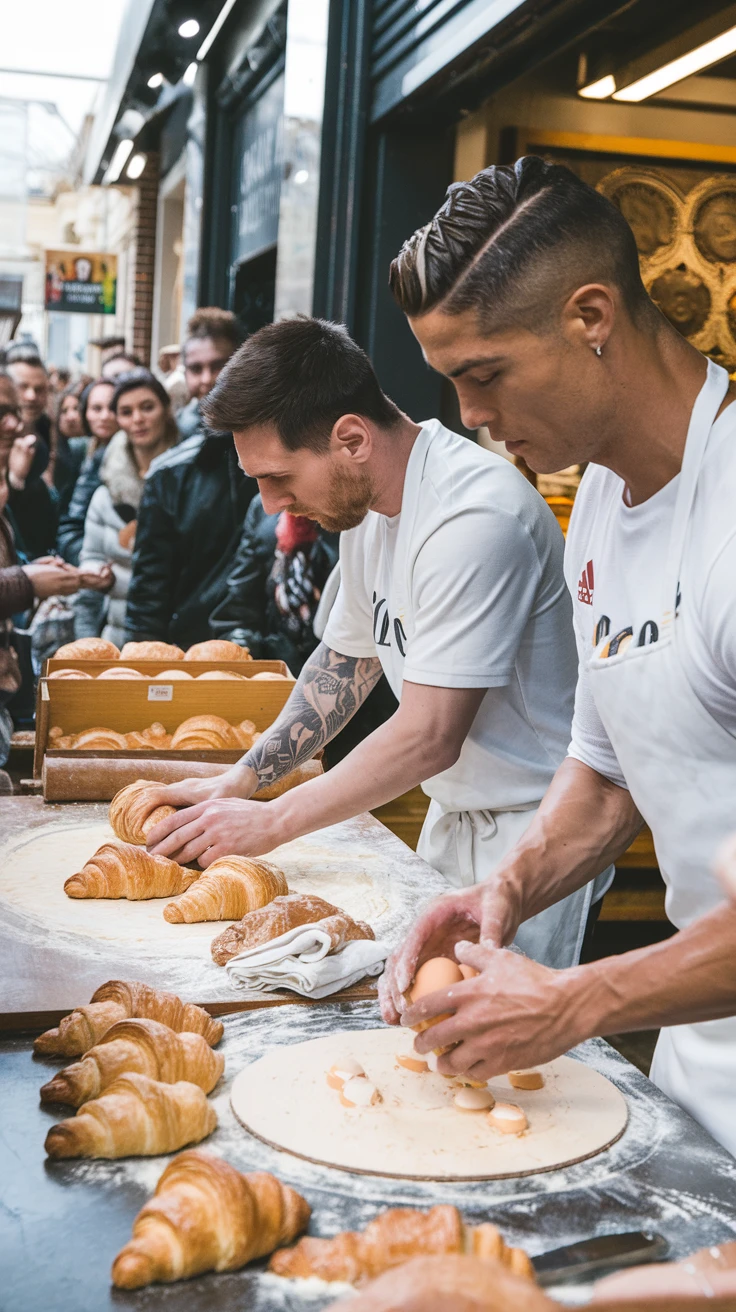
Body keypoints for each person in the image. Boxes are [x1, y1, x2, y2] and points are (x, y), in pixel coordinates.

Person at [371, 156, 736, 1157]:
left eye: (483, 375)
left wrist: (578, 998)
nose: (471, 416)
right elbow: (607, 769)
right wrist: (511, 886)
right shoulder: (597, 509)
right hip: (700, 1057)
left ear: (589, 317)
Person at [147, 317, 606, 971]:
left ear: (351, 439)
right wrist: (241, 779)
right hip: (455, 816)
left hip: (538, 832)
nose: (272, 503)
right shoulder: (364, 508)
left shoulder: (474, 515)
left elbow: (428, 735)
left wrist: (274, 821)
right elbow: (344, 664)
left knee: (501, 1052)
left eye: (278, 477)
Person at [124, 307, 256, 650]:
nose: (207, 379)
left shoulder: (286, 456)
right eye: (196, 369)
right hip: (191, 654)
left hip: (272, 654)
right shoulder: (169, 474)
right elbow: (148, 593)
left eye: (219, 365)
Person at [75, 371, 177, 647]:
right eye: (126, 411)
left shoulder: (188, 482)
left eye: (147, 407)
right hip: (117, 641)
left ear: (166, 410)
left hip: (177, 641)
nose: (137, 419)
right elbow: (90, 563)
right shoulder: (105, 494)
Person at [210, 494, 339, 674]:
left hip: (340, 666)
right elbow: (238, 609)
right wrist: (246, 647)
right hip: (276, 668)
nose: (269, 495)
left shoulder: (351, 515)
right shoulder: (264, 511)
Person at [57, 379, 120, 565]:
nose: (105, 416)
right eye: (97, 408)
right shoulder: (79, 451)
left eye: (112, 408)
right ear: (86, 413)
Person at [5, 351, 58, 558]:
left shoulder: (45, 428)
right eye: (22, 387)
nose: (31, 396)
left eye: (39, 389)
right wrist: (15, 480)